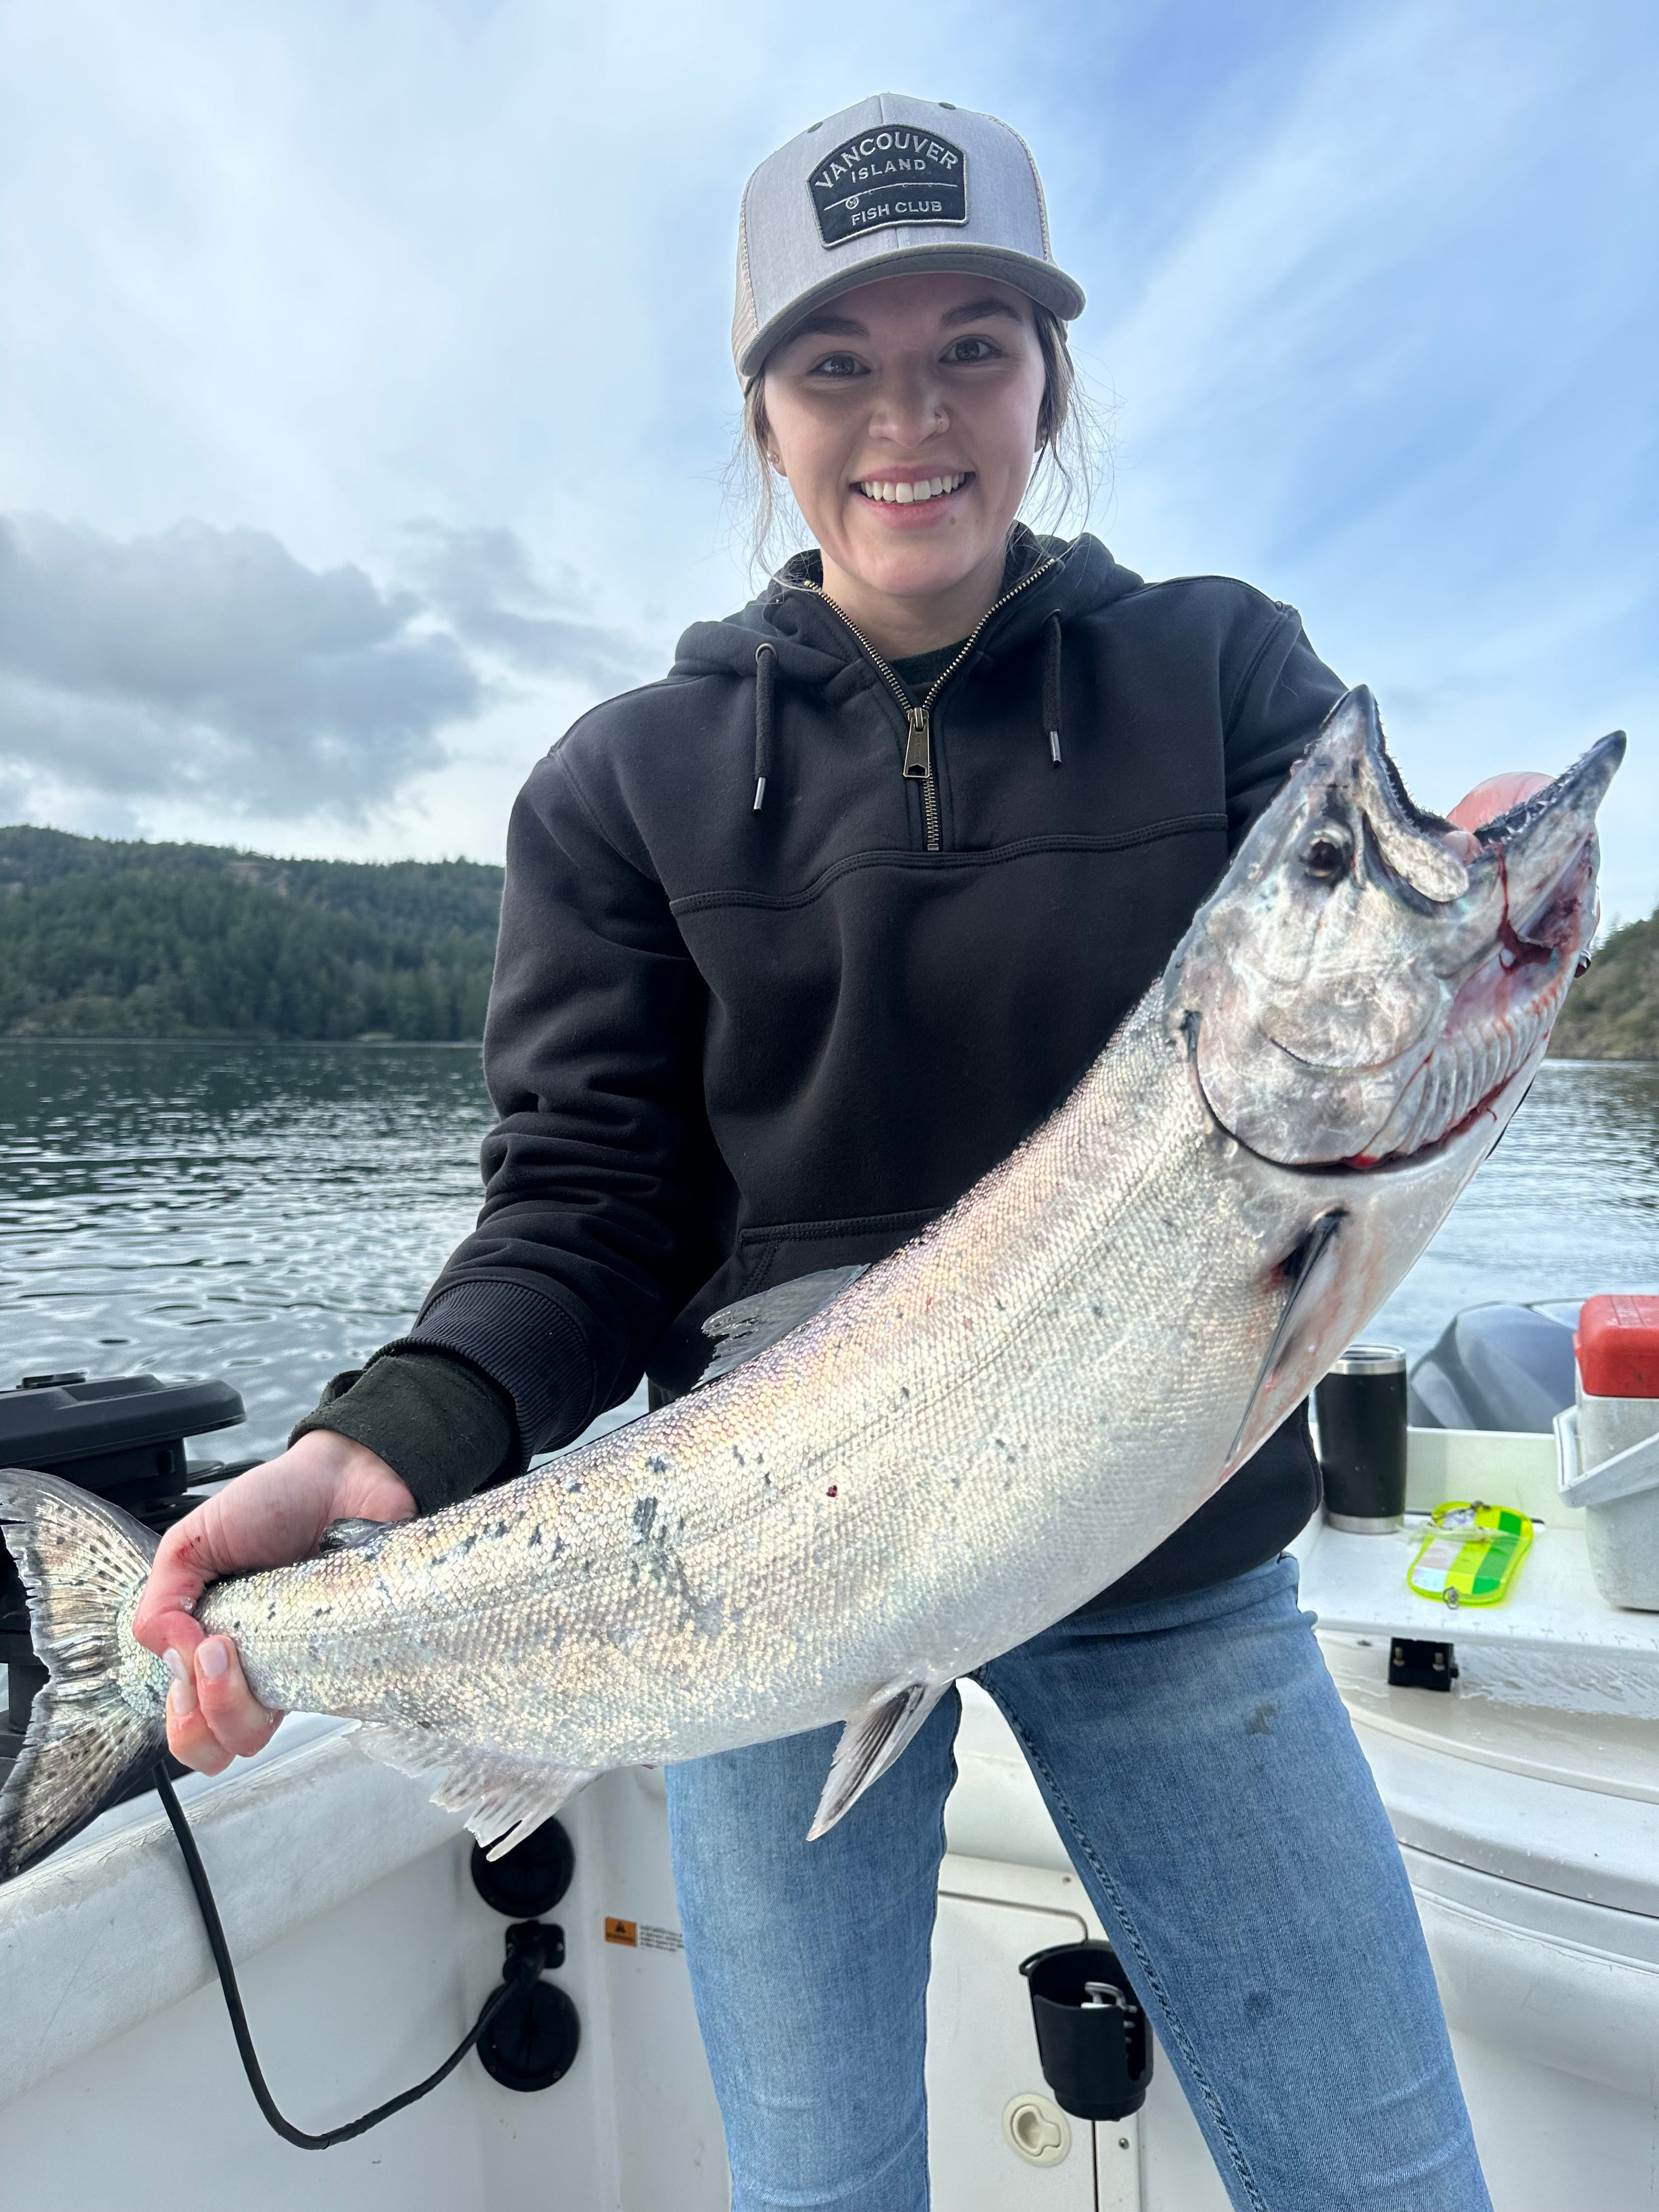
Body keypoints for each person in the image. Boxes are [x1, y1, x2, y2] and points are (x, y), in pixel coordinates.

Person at [136, 93, 1536, 2212]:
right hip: (755, 1575)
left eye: (978, 342)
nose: (916, 415)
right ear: (763, 410)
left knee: (1379, 2176)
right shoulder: (625, 784)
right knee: (816, 2185)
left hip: (1164, 1567)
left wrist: (1488, 940)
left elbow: (1353, 973)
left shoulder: (1225, 677)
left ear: (1053, 380)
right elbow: (588, 1210)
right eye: (839, 361)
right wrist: (385, 1447)